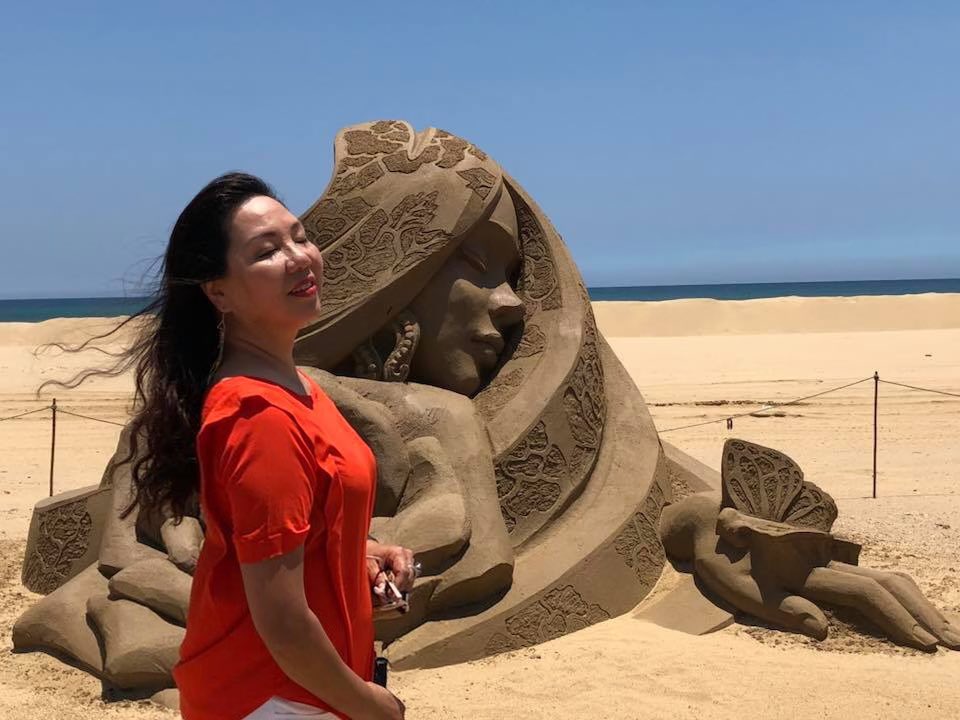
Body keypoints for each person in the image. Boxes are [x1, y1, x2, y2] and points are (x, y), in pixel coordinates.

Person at [103, 172, 410, 719]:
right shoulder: (257, 413)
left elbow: (282, 539)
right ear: (218, 291)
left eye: (301, 237)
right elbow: (282, 621)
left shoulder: (296, 387)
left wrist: (358, 554)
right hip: (274, 699)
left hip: (301, 689)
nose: (299, 258)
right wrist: (372, 706)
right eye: (267, 251)